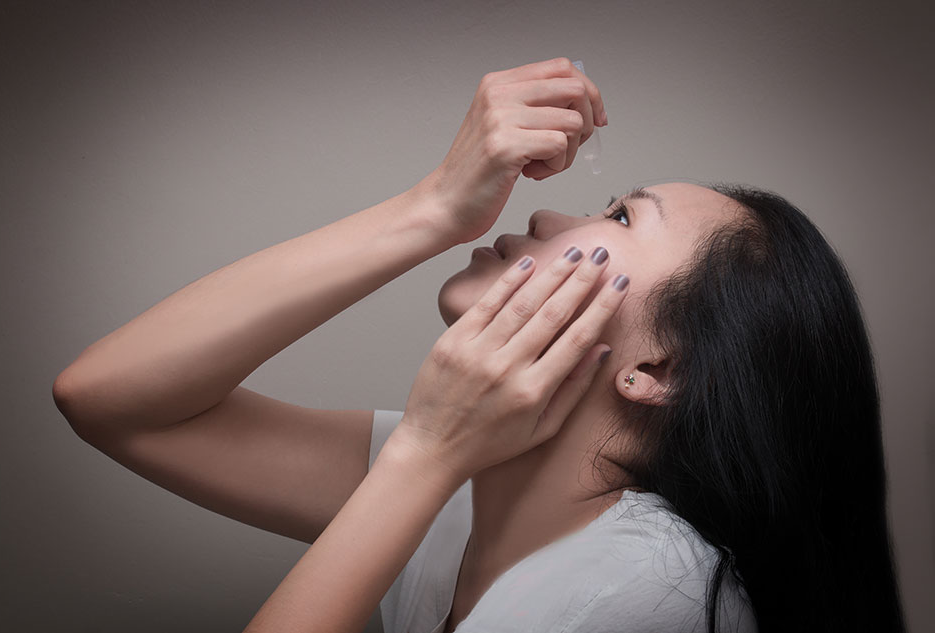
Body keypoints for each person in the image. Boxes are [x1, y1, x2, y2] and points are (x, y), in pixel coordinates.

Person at [52, 58, 904, 632]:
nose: (546, 215)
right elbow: (109, 398)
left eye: (618, 218)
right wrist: (433, 207)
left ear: (657, 369)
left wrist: (425, 451)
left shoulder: (639, 595)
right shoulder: (471, 488)